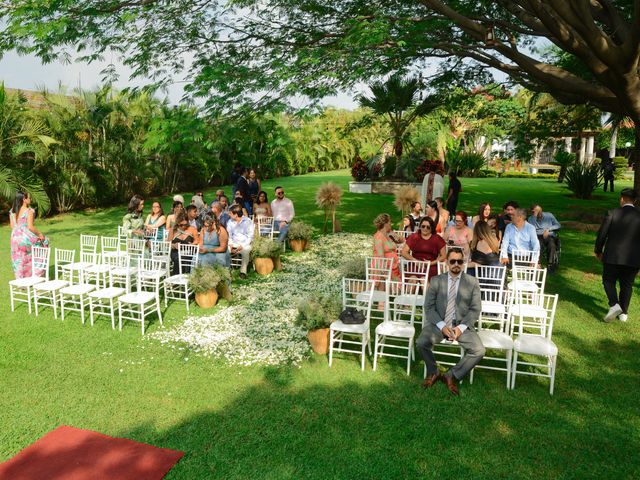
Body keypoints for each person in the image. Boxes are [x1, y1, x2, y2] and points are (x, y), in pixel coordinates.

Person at [416, 248, 485, 396]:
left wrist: (460, 327)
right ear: (447, 262)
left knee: (479, 350)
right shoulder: (436, 281)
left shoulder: (472, 282)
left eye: (459, 261)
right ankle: (433, 372)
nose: (456, 264)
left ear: (463, 262)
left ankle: (451, 375)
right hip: (439, 324)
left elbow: (475, 309)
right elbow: (428, 307)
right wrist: (441, 325)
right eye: (452, 261)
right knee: (421, 342)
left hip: (462, 326)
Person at [594, 188, 640, 322]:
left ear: (621, 199)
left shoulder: (612, 213)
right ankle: (624, 313)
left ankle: (614, 304)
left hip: (612, 256)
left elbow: (602, 234)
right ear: (635, 201)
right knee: (627, 284)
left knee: (608, 280)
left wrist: (598, 250)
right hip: (634, 258)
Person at [9, 191, 47, 279]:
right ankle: (37, 275)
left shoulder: (12, 211)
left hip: (14, 238)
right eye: (29, 198)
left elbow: (12, 226)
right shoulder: (29, 211)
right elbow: (30, 227)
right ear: (24, 199)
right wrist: (40, 234)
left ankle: (21, 280)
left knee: (18, 259)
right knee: (43, 244)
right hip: (25, 237)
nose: (30, 199)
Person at [528, 203, 561, 272]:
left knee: (551, 245)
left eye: (538, 211)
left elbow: (558, 225)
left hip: (549, 235)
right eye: (534, 212)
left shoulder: (549, 215)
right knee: (538, 244)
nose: (537, 213)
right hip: (537, 236)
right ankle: (537, 263)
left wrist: (549, 229)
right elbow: (530, 228)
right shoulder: (531, 219)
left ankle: (550, 264)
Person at [227, 204, 255, 279]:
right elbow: (229, 235)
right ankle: (227, 271)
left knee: (246, 250)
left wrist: (242, 246)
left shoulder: (248, 221)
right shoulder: (230, 222)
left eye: (230, 213)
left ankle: (243, 272)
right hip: (233, 243)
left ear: (236, 214)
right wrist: (230, 244)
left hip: (245, 244)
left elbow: (250, 237)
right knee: (225, 250)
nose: (229, 215)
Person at [372, 213, 400, 280]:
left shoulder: (388, 234)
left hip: (393, 268)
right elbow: (381, 256)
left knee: (401, 286)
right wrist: (389, 274)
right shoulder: (379, 237)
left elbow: (401, 240)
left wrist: (394, 235)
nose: (391, 223)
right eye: (390, 221)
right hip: (385, 270)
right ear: (385, 224)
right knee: (399, 287)